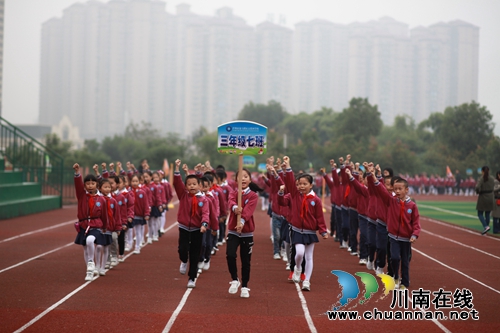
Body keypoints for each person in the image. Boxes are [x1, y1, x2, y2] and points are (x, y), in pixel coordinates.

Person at [367, 162, 421, 289]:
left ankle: (405, 283)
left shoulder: (412, 206)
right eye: (395, 189)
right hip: (393, 237)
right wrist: (373, 175)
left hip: (406, 238)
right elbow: (380, 189)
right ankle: (395, 277)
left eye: (399, 189)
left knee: (405, 261)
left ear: (406, 190)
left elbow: (416, 222)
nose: (396, 191)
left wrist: (414, 235)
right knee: (394, 258)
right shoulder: (391, 201)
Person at [278, 156, 328, 291]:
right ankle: (297, 268)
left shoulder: (315, 200)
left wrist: (323, 231)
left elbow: (319, 216)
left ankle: (307, 281)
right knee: (299, 253)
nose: (301, 186)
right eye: (299, 184)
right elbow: (288, 182)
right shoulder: (294, 195)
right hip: (296, 230)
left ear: (311, 185)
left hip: (310, 232)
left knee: (309, 256)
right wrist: (288, 167)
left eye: (304, 184)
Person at [174, 159, 209, 288]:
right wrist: (177, 169)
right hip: (184, 228)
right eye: (189, 184)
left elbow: (206, 213)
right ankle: (184, 260)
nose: (192, 186)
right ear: (186, 186)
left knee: (195, 253)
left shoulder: (203, 200)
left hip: (197, 230)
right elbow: (177, 183)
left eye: (195, 184)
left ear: (199, 186)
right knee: (182, 249)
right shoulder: (183, 196)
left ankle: (192, 278)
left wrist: (204, 224)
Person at [226, 168, 259, 298]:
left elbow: (248, 211)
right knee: (230, 254)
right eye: (241, 176)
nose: (243, 179)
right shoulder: (233, 193)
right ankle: (235, 279)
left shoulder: (253, 196)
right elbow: (231, 201)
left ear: (250, 180)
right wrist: (235, 208)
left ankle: (245, 286)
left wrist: (242, 222)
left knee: (246, 260)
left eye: (246, 176)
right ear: (236, 180)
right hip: (233, 231)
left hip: (246, 232)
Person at [73, 163, 108, 281]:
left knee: (90, 240)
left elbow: (104, 214)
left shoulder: (101, 199)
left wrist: (105, 226)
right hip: (83, 225)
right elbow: (78, 185)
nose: (90, 186)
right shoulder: (82, 196)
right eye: (88, 184)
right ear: (85, 185)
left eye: (93, 184)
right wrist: (77, 173)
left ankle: (92, 263)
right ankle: (89, 270)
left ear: (97, 185)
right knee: (85, 248)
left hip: (95, 225)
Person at [130, 174, 150, 254]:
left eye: (136, 181)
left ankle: (137, 247)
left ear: (139, 182)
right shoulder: (129, 192)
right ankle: (129, 244)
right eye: (133, 181)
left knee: (138, 231)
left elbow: (146, 204)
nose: (134, 183)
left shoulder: (142, 192)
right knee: (130, 231)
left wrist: (146, 213)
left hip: (139, 215)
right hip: (130, 215)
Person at [476, 166, 495, 234]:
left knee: (480, 213)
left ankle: (485, 226)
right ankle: (486, 228)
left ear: (482, 171)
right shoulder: (492, 178)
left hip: (483, 196)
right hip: (490, 196)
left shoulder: (481, 178)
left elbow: (477, 187)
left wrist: (478, 191)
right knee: (487, 213)